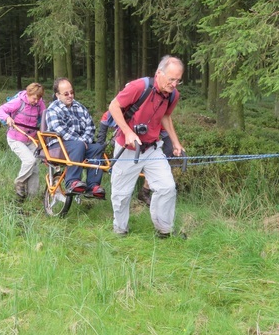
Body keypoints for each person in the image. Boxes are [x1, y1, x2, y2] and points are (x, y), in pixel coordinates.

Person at [109, 55, 185, 237]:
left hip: (152, 148)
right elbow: (114, 106)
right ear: (159, 73)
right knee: (121, 194)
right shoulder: (139, 87)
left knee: (167, 187)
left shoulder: (173, 95)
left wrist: (175, 142)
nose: (174, 84)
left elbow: (166, 116)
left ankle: (164, 230)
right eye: (171, 79)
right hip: (127, 149)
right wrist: (127, 131)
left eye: (178, 81)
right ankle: (120, 230)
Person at [45, 78, 106, 199]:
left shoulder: (80, 107)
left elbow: (90, 127)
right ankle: (72, 182)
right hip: (59, 145)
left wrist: (85, 140)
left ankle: (93, 186)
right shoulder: (53, 109)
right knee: (78, 145)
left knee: (98, 147)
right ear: (57, 95)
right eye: (66, 94)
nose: (70, 96)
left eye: (72, 92)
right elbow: (59, 130)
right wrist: (81, 142)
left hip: (80, 145)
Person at [0, 83, 46, 200]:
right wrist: (7, 118)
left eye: (39, 98)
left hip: (31, 139)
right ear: (29, 94)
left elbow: (45, 117)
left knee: (35, 168)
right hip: (15, 138)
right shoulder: (18, 101)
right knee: (30, 160)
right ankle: (20, 182)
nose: (36, 101)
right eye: (34, 98)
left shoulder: (40, 104)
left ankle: (32, 198)